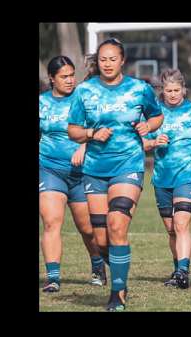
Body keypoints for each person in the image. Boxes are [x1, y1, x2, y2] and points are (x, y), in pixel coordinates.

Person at [67, 38, 164, 311]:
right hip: (95, 171)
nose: (107, 64)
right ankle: (119, 270)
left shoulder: (139, 89)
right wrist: (90, 134)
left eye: (112, 59)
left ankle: (117, 293)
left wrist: (148, 125)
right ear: (97, 63)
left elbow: (157, 117)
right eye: (103, 59)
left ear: (122, 61)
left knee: (117, 226)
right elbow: (73, 129)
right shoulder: (84, 91)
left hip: (128, 166)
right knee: (101, 240)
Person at [39, 55, 105, 293]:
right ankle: (53, 277)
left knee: (87, 229)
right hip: (49, 170)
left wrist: (83, 145)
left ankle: (98, 265)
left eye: (71, 75)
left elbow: (99, 129)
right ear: (52, 79)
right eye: (63, 76)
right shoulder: (42, 103)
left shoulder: (83, 99)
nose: (69, 80)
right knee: (51, 222)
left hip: (81, 173)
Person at [142, 69, 191, 289]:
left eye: (176, 90)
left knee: (181, 224)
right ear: (162, 90)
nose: (172, 94)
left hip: (188, 176)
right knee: (171, 229)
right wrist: (153, 143)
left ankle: (183, 271)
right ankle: (177, 269)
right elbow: (140, 142)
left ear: (184, 90)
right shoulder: (155, 114)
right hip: (162, 178)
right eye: (168, 90)